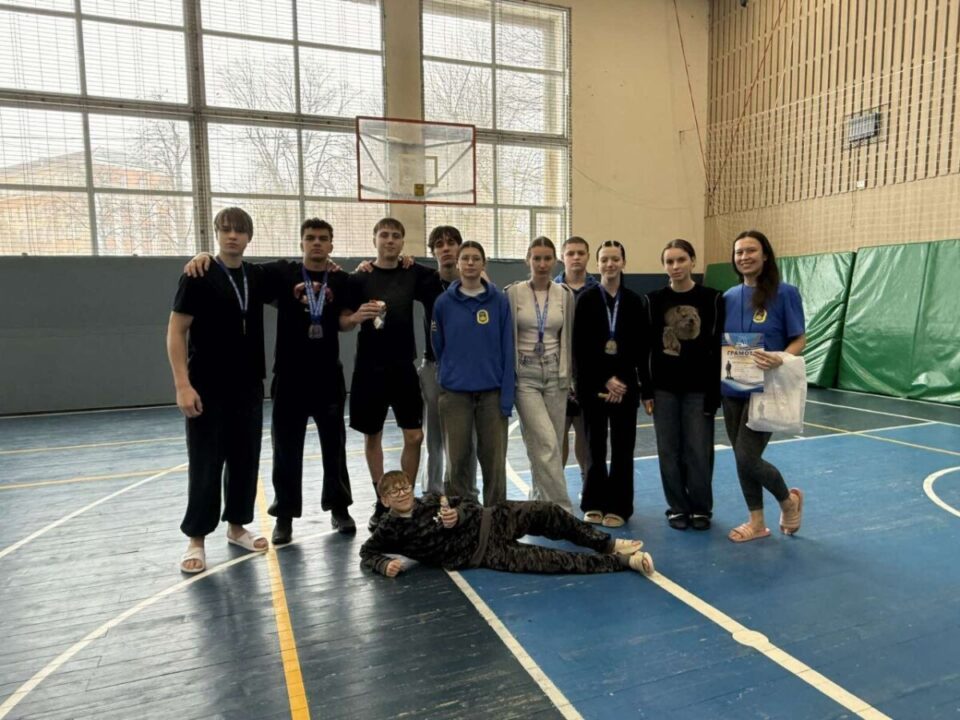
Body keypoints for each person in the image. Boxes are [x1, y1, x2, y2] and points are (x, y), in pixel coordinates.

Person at [183, 219, 357, 544]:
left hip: (328, 377)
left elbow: (345, 319)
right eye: (310, 238)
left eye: (323, 239)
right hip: (289, 376)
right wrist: (204, 255)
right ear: (301, 242)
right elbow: (234, 265)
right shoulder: (279, 273)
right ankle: (285, 515)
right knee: (286, 449)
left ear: (331, 245)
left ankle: (339, 508)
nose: (316, 243)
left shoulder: (341, 279)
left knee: (334, 447)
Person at [167, 207, 270, 573]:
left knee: (245, 459)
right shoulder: (198, 274)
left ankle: (237, 526)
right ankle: (196, 538)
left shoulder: (256, 276)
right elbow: (176, 332)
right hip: (207, 386)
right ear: (216, 233)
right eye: (225, 230)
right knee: (206, 462)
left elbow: (299, 271)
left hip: (248, 385)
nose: (232, 236)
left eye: (239, 230)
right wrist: (183, 385)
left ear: (249, 237)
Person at [359, 471, 654, 577]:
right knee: (554, 561)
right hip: (487, 554)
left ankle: (608, 543)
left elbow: (466, 502)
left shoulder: (430, 499)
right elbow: (366, 552)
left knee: (548, 511)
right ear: (384, 500)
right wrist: (384, 565)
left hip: (495, 518)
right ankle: (624, 562)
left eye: (405, 487)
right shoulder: (389, 530)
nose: (403, 493)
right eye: (394, 492)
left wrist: (458, 515)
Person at [341, 218, 437, 532]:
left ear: (402, 242)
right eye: (384, 235)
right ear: (375, 239)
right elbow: (343, 320)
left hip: (403, 367)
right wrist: (356, 316)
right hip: (369, 369)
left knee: (415, 436)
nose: (390, 240)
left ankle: (404, 499)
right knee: (373, 436)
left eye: (396, 235)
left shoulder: (412, 273)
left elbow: (446, 274)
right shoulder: (359, 277)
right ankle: (383, 501)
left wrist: (414, 261)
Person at [722, 230, 805, 542]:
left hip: (768, 387)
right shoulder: (728, 297)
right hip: (732, 387)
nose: (744, 257)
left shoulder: (785, 293)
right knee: (740, 458)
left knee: (747, 457)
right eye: (739, 252)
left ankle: (788, 500)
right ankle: (756, 522)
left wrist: (779, 358)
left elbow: (799, 339)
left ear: (765, 255)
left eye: (751, 251)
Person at [572, 240, 652, 528]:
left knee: (622, 448)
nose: (609, 264)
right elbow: (581, 348)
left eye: (615, 259)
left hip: (625, 387)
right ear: (597, 264)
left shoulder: (634, 301)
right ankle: (593, 502)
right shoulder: (586, 300)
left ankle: (620, 505)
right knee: (594, 447)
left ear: (623, 262)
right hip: (594, 384)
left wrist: (636, 386)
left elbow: (641, 349)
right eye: (604, 259)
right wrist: (605, 379)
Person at [647, 239, 724, 531]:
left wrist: (715, 392)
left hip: (699, 390)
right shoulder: (653, 300)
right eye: (669, 261)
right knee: (668, 451)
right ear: (664, 266)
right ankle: (677, 507)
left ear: (693, 261)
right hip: (664, 389)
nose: (676, 266)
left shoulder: (713, 299)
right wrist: (646, 390)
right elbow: (646, 349)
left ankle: (701, 508)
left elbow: (717, 347)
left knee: (699, 451)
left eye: (681, 259)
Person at [431, 241, 513, 506]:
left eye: (475, 258)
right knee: (457, 460)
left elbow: (507, 347)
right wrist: (451, 373)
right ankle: (460, 516)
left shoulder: (499, 301)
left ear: (483, 264)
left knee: (494, 461)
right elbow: (438, 344)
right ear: (457, 264)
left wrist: (506, 396)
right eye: (465, 258)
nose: (470, 263)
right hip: (455, 394)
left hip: (491, 394)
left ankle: (496, 516)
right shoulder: (443, 303)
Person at [506, 237, 575, 512]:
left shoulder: (565, 295)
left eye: (547, 258)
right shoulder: (513, 293)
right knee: (546, 443)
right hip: (525, 376)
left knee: (548, 445)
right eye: (537, 258)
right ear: (528, 260)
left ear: (555, 261)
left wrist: (570, 376)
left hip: (556, 374)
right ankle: (562, 510)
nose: (542, 264)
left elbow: (567, 337)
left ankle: (539, 505)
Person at [418, 226, 477, 496]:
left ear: (460, 248)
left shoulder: (475, 284)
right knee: (434, 436)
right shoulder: (425, 282)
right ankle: (432, 492)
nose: (446, 248)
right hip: (434, 367)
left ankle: (467, 492)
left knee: (467, 436)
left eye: (451, 243)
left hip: (466, 370)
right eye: (439, 245)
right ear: (433, 252)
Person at [554, 236, 598, 481]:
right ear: (563, 257)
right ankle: (556, 487)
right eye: (570, 253)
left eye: (581, 253)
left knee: (585, 432)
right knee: (558, 433)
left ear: (588, 256)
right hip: (557, 372)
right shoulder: (551, 289)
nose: (576, 257)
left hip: (588, 374)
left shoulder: (599, 290)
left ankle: (587, 480)